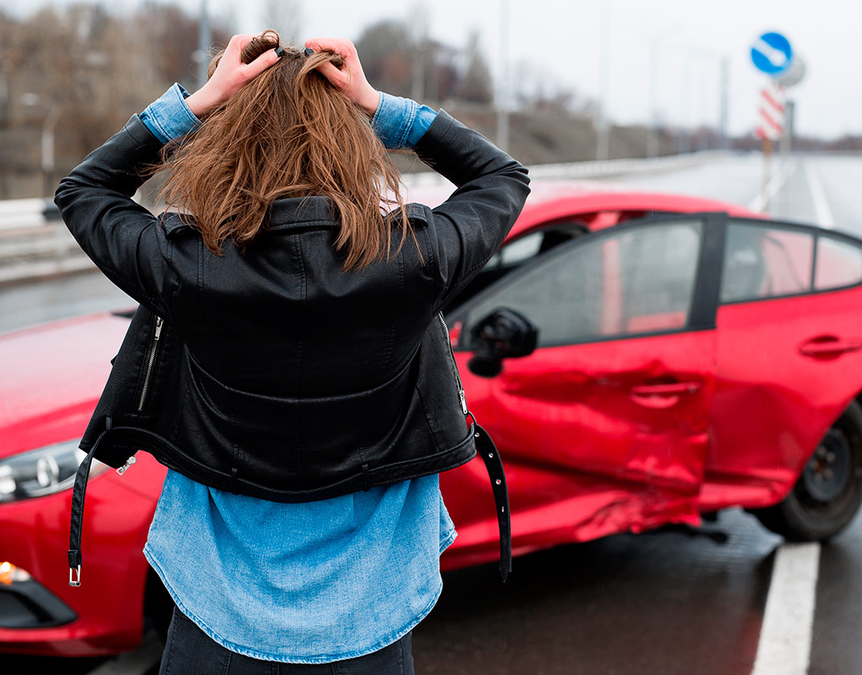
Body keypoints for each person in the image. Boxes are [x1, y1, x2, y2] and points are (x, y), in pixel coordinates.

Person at [54, 31, 530, 675]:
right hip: (373, 619)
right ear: (350, 147)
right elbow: (502, 175)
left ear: (230, 145)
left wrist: (200, 101)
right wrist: (381, 105)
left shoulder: (185, 265)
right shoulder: (416, 260)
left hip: (213, 617)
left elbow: (84, 192)